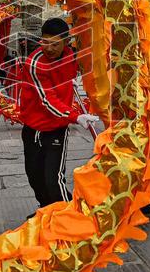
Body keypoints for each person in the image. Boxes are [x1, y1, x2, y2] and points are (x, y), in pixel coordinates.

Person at [15, 18, 97, 212]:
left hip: (56, 129)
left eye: (55, 44)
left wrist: (71, 82)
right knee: (35, 177)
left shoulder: (72, 56)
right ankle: (47, 213)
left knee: (53, 179)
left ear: (66, 42)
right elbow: (46, 100)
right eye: (45, 42)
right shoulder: (35, 62)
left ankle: (71, 218)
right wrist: (75, 116)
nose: (49, 48)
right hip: (33, 126)